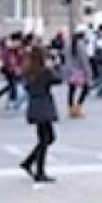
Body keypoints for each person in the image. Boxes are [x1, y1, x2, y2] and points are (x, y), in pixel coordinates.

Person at [18, 45, 61, 183]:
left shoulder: (29, 71)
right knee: (46, 139)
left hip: (34, 104)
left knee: (47, 137)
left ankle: (29, 161)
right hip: (44, 104)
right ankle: (39, 171)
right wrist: (53, 65)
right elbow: (58, 79)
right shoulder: (45, 71)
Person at [63, 35, 93, 119]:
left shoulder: (67, 45)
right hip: (80, 71)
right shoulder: (81, 45)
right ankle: (78, 108)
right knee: (86, 88)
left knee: (71, 90)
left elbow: (66, 59)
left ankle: (71, 109)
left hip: (70, 71)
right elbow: (84, 60)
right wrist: (89, 73)